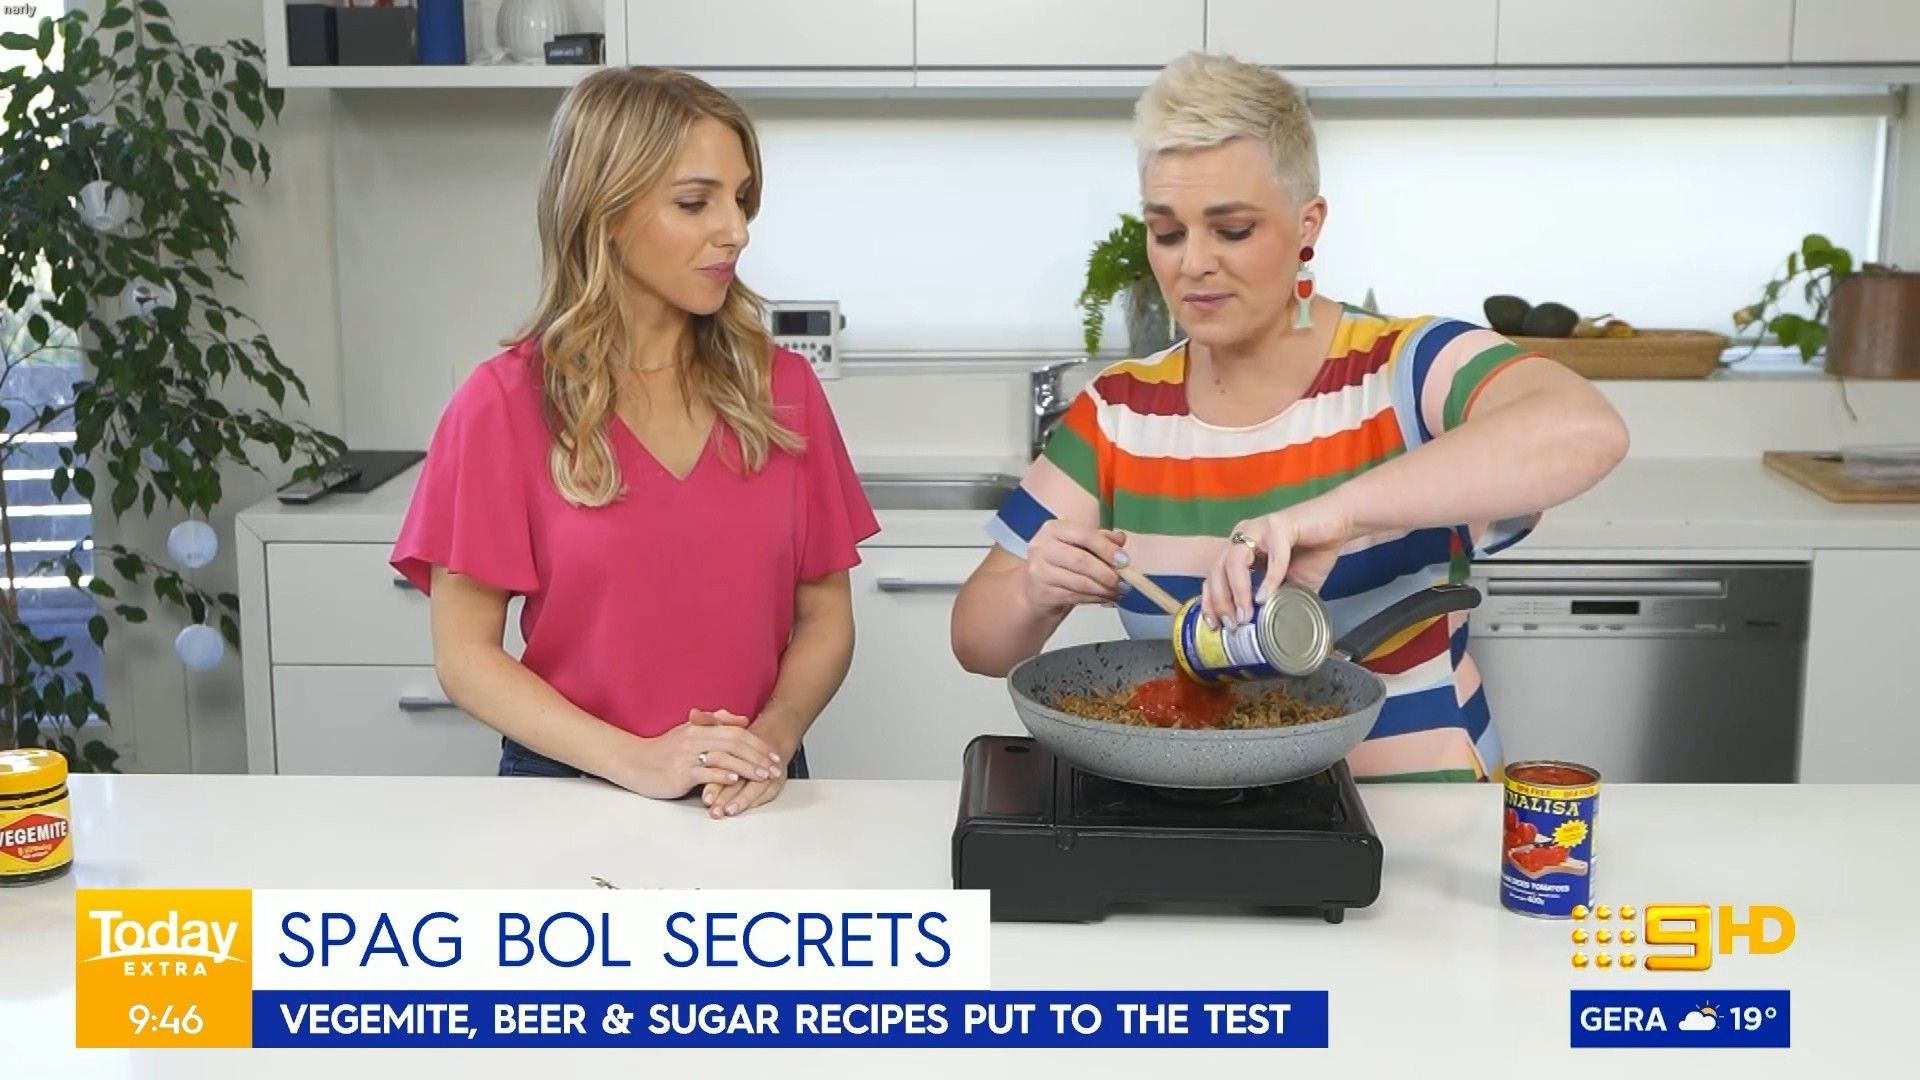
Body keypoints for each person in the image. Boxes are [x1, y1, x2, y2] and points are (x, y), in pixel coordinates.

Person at [951, 52, 1629, 782]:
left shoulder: (1405, 368)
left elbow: (1585, 429)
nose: (1193, 263)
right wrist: (1034, 588)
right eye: (1168, 232)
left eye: (1233, 230)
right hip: (1199, 813)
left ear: (1308, 225)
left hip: (1421, 813)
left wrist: (1333, 517)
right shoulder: (1120, 410)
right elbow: (978, 642)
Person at [391, 67, 878, 816]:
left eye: (741, 198)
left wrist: (772, 739)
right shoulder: (501, 404)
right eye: (695, 202)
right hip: (569, 786)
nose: (737, 230)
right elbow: (465, 657)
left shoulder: (782, 392)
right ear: (605, 211)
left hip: (748, 787)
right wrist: (640, 761)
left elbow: (826, 618)